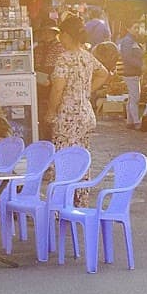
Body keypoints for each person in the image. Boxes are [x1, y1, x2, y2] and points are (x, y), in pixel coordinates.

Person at [49, 15, 109, 205]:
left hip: (68, 115)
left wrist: (51, 110)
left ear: (67, 35)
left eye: (61, 35)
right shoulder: (86, 56)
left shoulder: (64, 59)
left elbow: (57, 88)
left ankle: (60, 204)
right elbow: (104, 73)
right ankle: (80, 202)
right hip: (85, 115)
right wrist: (85, 91)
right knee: (82, 158)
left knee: (63, 159)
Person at [118, 26, 145, 130]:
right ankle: (136, 122)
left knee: (132, 97)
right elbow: (127, 57)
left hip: (134, 72)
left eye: (137, 27)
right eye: (134, 27)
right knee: (135, 98)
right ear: (128, 28)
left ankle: (130, 121)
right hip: (131, 73)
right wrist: (140, 65)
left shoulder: (132, 40)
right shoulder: (127, 41)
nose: (137, 30)